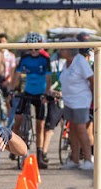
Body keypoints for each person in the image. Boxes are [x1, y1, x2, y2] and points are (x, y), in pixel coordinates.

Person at [12, 31, 51, 169]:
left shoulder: (45, 59)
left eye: (36, 48)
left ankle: (40, 154)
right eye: (31, 48)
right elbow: (16, 75)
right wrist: (12, 89)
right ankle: (13, 144)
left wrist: (46, 94)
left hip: (40, 93)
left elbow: (48, 78)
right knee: (17, 120)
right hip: (27, 92)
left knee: (40, 126)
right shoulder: (24, 58)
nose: (33, 51)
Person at [55, 39, 94, 170]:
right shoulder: (66, 63)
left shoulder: (80, 61)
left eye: (62, 48)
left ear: (69, 50)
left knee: (81, 129)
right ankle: (75, 159)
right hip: (69, 101)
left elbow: (92, 79)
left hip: (81, 101)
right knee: (72, 130)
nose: (60, 51)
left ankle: (88, 159)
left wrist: (95, 99)